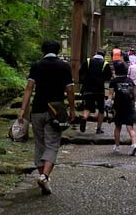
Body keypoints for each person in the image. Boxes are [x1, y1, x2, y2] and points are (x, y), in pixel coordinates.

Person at [18, 40, 76, 195]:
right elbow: (70, 90)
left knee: (39, 143)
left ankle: (43, 177)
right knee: (52, 143)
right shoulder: (64, 66)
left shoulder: (37, 65)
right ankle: (44, 176)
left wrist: (22, 110)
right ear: (57, 51)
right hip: (56, 110)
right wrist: (72, 109)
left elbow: (29, 88)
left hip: (37, 109)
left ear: (43, 50)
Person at [107, 61, 136, 156]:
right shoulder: (130, 80)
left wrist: (108, 104)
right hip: (129, 105)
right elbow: (134, 93)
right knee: (130, 127)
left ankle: (117, 146)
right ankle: (134, 143)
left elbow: (110, 95)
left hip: (118, 106)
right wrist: (135, 103)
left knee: (117, 126)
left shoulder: (114, 81)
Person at [78, 48, 112, 134]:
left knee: (87, 106)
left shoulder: (88, 61)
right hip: (99, 89)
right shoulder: (105, 64)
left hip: (88, 87)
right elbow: (108, 77)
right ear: (104, 55)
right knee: (101, 109)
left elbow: (81, 72)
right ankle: (98, 128)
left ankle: (84, 117)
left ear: (96, 53)